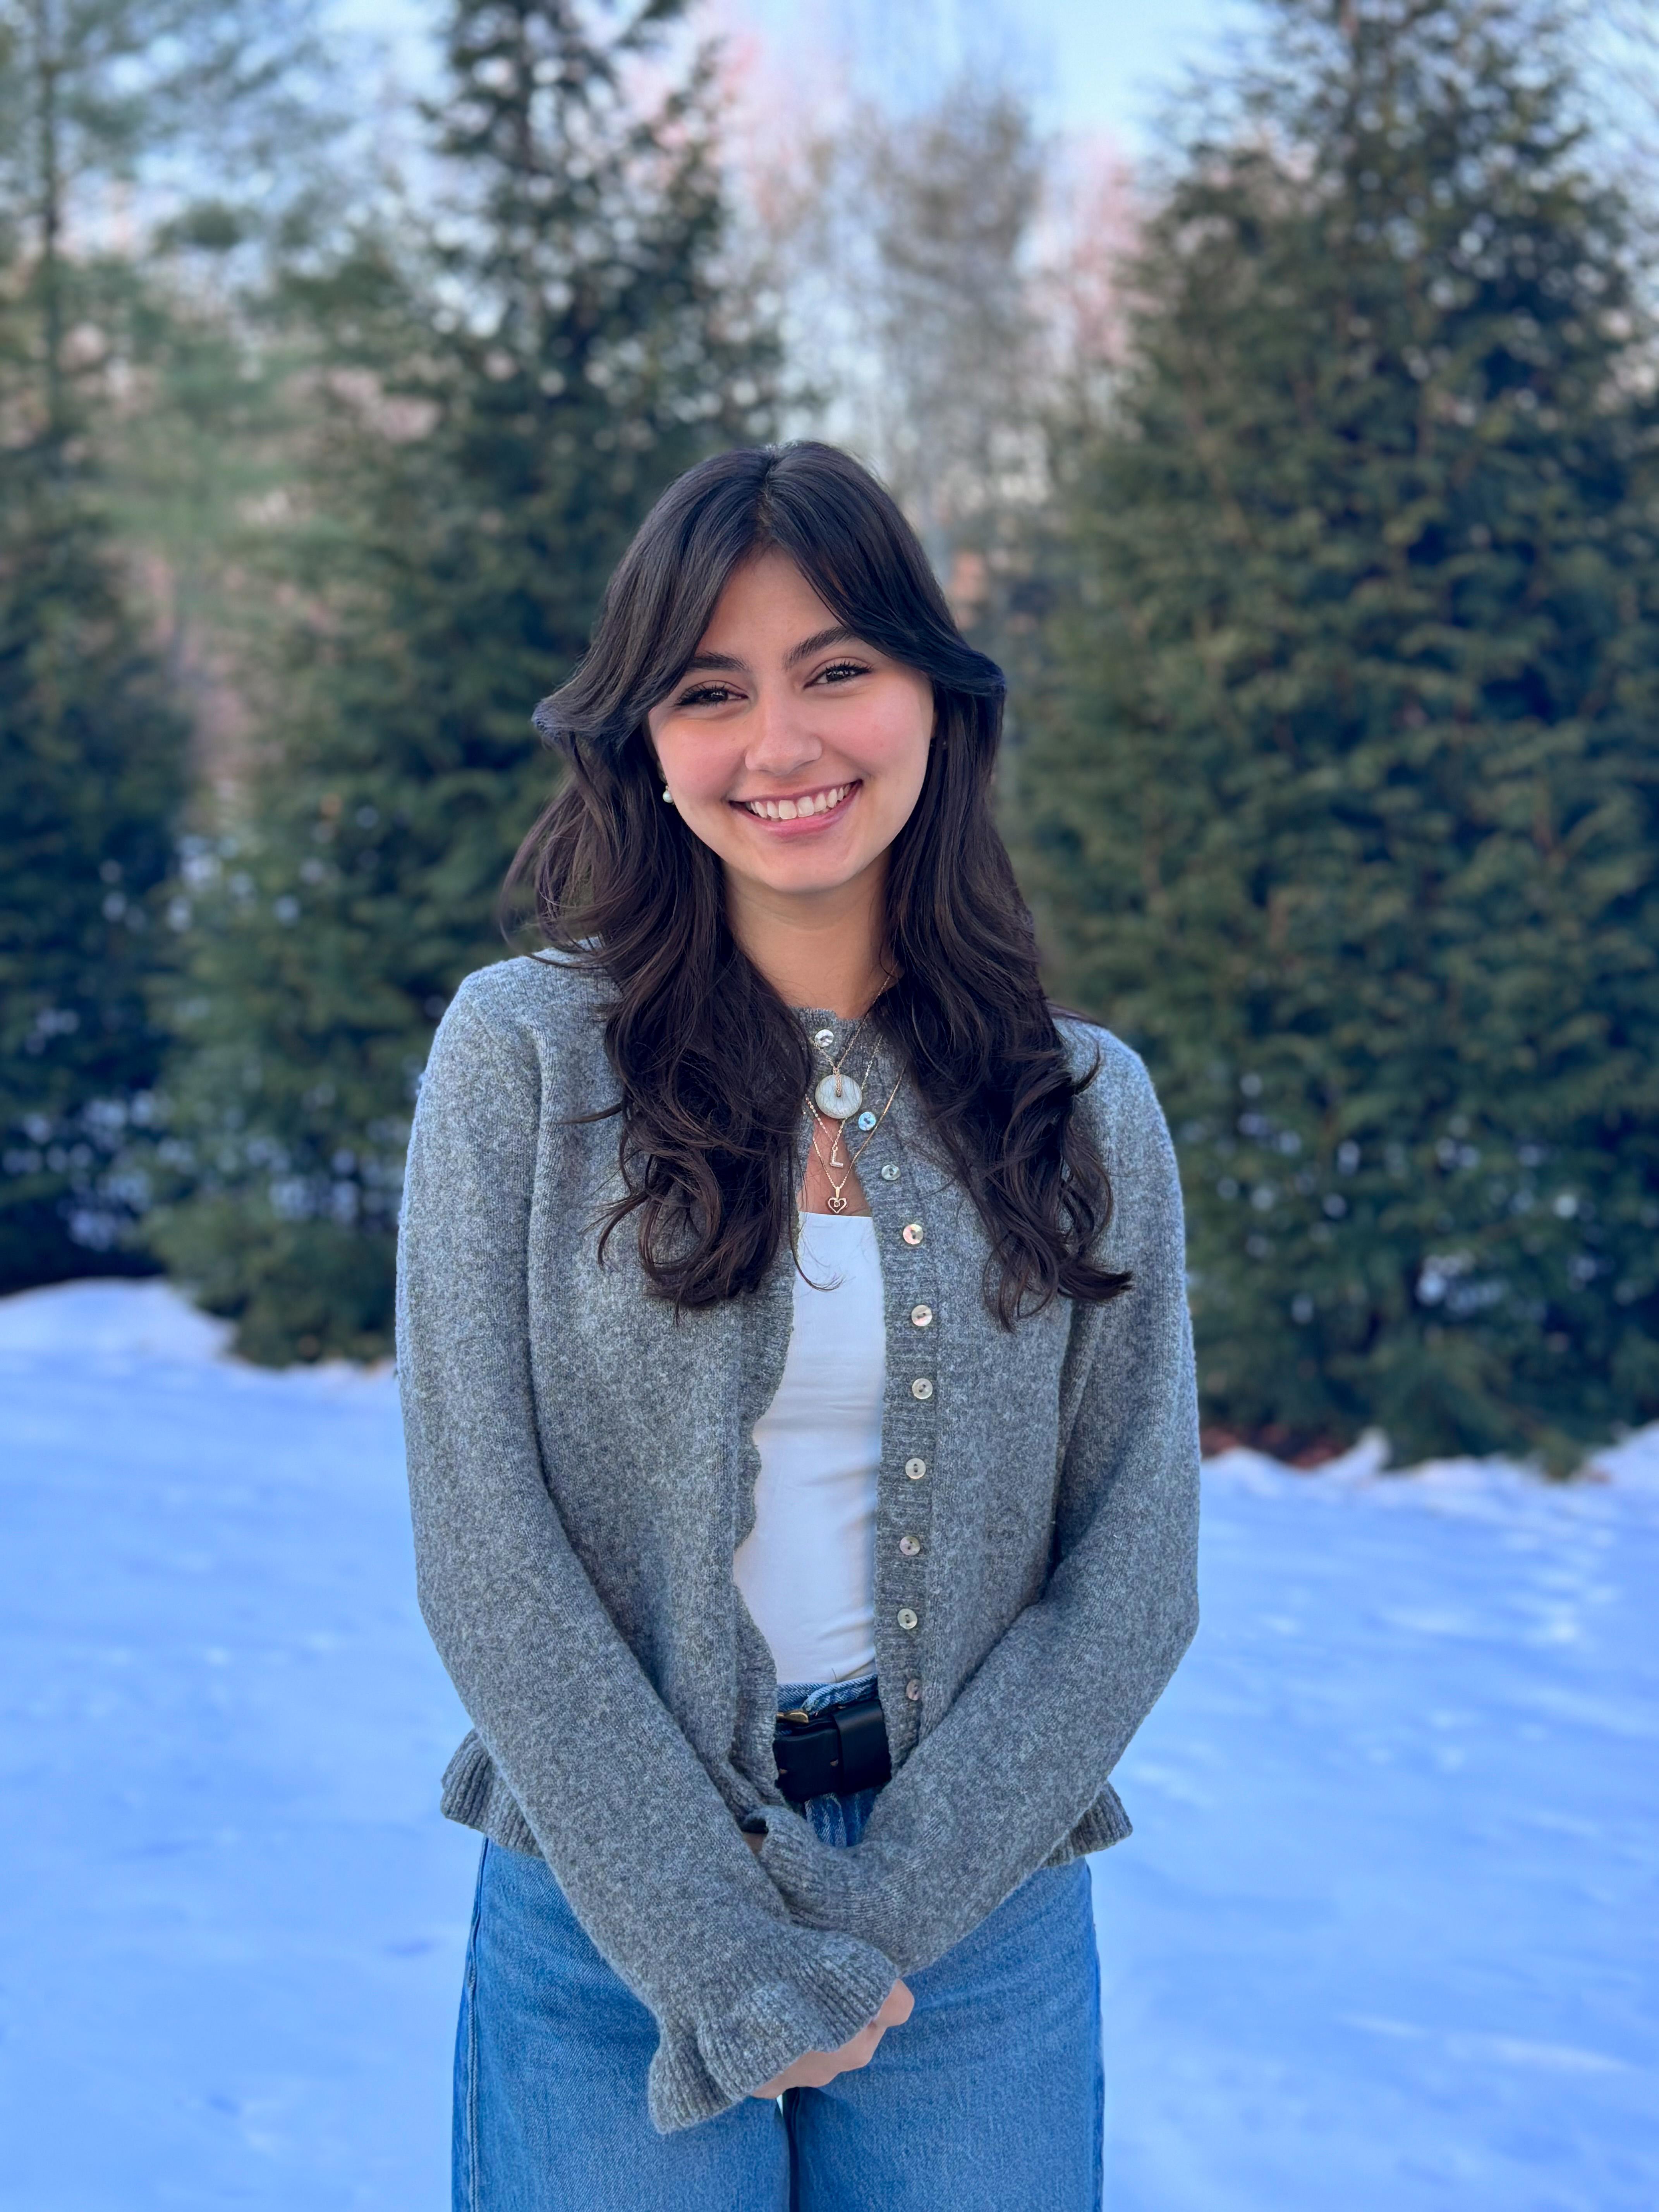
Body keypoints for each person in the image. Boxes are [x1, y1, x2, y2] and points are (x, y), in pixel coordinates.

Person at [397, 441, 1200, 2210]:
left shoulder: (1084, 1101)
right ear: (646, 744)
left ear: (932, 692)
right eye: (711, 691)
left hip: (974, 1921)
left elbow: (1135, 1567)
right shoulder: (523, 1063)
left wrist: (876, 1920)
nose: (782, 745)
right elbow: (484, 1545)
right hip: (606, 1907)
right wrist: (723, 1950)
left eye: (838, 668)